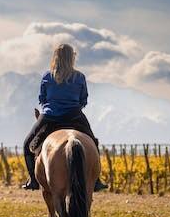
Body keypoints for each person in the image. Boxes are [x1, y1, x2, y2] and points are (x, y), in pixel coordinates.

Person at [22, 44, 108, 192]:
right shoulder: (80, 77)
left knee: (27, 145)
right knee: (92, 142)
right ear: (72, 58)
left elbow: (42, 98)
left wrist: (52, 107)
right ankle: (96, 181)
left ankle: (33, 180)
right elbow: (83, 100)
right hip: (74, 115)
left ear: (55, 57)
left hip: (50, 117)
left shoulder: (47, 76)